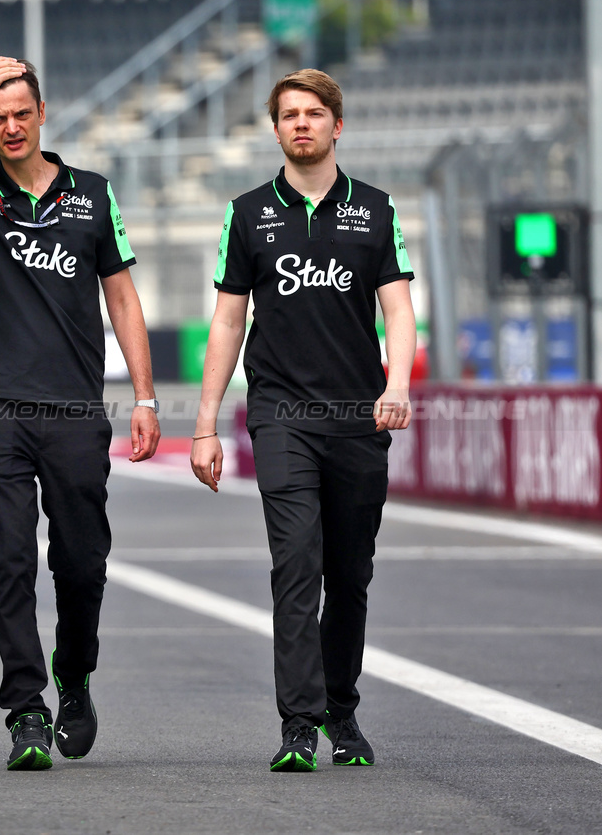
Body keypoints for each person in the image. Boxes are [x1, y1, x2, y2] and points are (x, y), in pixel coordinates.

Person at [0, 58, 160, 771]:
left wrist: (143, 397)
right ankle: (25, 708)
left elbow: (122, 299)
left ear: (42, 113)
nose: (10, 127)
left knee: (81, 564)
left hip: (76, 409)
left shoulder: (93, 195)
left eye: (20, 113)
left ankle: (72, 672)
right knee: (7, 559)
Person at [189, 69, 416, 772]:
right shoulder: (247, 211)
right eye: (288, 114)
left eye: (313, 113)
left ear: (336, 125)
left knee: (347, 574)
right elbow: (228, 320)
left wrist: (397, 382)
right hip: (280, 413)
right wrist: (203, 425)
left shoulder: (375, 211)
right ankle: (296, 723)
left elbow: (398, 308)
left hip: (357, 417)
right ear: (276, 127)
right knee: (295, 564)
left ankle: (340, 713)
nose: (300, 124)